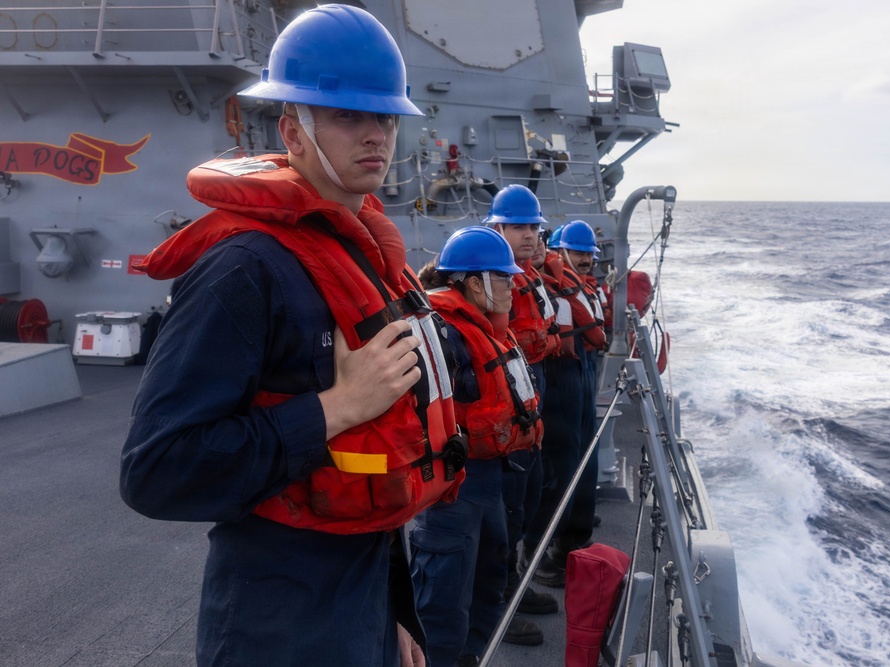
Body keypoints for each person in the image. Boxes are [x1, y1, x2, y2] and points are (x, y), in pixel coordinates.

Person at [119, 6, 466, 666]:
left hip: (357, 601)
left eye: (384, 117)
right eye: (346, 116)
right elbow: (155, 470)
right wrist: (337, 407)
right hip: (277, 626)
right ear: (292, 130)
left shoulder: (358, 250)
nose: (375, 136)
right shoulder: (243, 269)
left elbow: (372, 470)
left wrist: (392, 611)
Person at [410, 226, 542, 667]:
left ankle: (472, 657)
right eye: (504, 279)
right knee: (443, 600)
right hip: (454, 487)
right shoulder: (442, 332)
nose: (513, 285)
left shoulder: (489, 329)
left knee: (488, 582)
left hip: (490, 479)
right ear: (473, 283)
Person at [485, 185, 561, 631]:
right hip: (504, 405)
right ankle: (497, 603)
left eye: (534, 226)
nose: (530, 234)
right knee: (505, 506)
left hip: (531, 393)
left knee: (527, 497)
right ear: (497, 228)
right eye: (518, 227)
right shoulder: (490, 278)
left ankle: (511, 583)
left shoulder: (528, 274)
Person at [524, 220, 607, 588]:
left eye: (589, 253)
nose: (585, 259)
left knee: (582, 456)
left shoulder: (574, 284)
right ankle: (539, 554)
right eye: (578, 253)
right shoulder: (537, 278)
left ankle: (573, 534)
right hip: (555, 376)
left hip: (580, 370)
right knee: (557, 469)